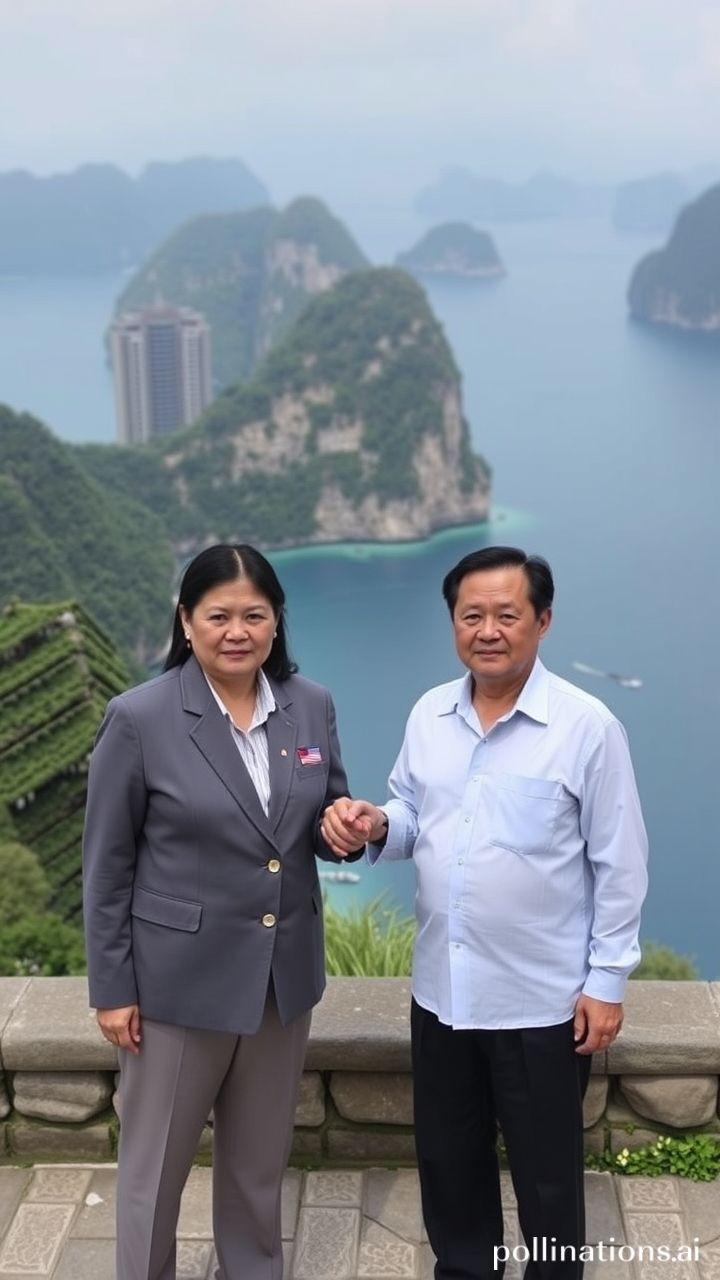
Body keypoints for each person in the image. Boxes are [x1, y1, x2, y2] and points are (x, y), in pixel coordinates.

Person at [321, 546, 648, 1280]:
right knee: (450, 1165)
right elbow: (415, 815)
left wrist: (607, 982)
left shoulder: (586, 727)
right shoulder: (430, 714)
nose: (488, 630)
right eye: (472, 616)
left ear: (543, 621)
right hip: (442, 994)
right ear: (454, 623)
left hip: (542, 1003)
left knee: (548, 1179)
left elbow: (621, 863)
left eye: (507, 614)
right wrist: (379, 823)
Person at [83, 543, 360, 1280]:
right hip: (176, 986)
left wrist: (344, 827)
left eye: (254, 615)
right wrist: (112, 988)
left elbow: (321, 816)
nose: (237, 631)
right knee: (153, 1177)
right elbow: (106, 866)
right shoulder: (139, 718)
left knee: (257, 1170)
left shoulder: (311, 703)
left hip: (280, 981)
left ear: (276, 621)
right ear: (186, 620)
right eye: (218, 616)